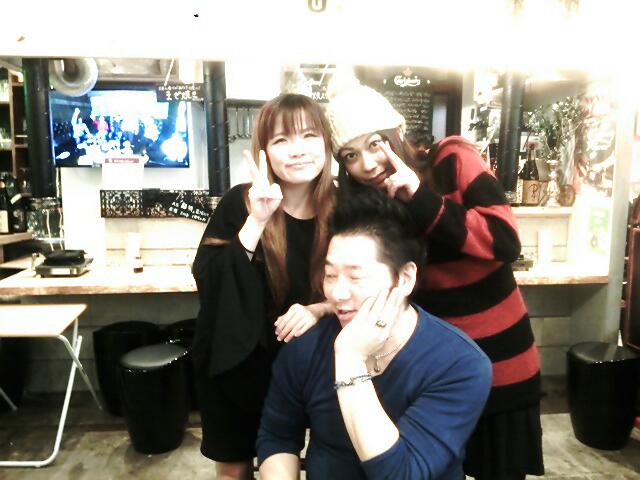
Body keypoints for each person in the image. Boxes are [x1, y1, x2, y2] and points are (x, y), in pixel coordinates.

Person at [324, 76, 544, 480]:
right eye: (351, 155)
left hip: (502, 365)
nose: (367, 164)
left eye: (375, 143)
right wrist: (321, 306)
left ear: (398, 130)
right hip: (436, 375)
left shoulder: (451, 159)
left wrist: (421, 197)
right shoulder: (371, 204)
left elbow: (505, 241)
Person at [257, 188, 492, 479]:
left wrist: (350, 359)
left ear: (404, 278)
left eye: (356, 276)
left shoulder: (460, 364)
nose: (337, 293)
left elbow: (401, 474)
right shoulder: (306, 346)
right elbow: (277, 436)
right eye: (330, 275)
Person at [191, 93, 336, 480]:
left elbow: (368, 283)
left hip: (312, 364)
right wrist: (256, 221)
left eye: (309, 135)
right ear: (265, 151)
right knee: (234, 470)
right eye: (282, 140)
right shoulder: (239, 203)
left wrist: (319, 309)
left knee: (328, 460)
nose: (298, 150)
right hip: (237, 361)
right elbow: (210, 283)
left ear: (326, 142)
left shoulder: (343, 207)